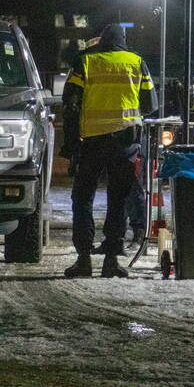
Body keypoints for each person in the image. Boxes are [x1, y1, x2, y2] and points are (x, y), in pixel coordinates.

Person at [61, 24, 157, 278]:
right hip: (125, 142)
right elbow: (150, 105)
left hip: (91, 141)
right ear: (123, 40)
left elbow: (70, 102)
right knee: (119, 199)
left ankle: (83, 258)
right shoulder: (137, 62)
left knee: (82, 199)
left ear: (102, 40)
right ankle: (111, 261)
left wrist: (71, 142)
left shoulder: (86, 61)